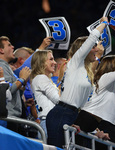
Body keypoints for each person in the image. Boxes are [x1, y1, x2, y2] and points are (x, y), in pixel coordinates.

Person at [46, 16, 108, 148]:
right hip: (61, 113)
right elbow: (91, 38)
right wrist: (103, 24)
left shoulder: (85, 72)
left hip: (73, 115)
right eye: (93, 47)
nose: (96, 49)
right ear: (84, 49)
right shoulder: (75, 63)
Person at [0, 36, 31, 132]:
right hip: (9, 117)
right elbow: (6, 92)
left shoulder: (6, 66)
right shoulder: (0, 65)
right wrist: (22, 79)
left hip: (12, 116)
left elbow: (14, 91)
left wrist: (22, 85)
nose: (13, 47)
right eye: (9, 45)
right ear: (1, 50)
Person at [30, 50, 59, 138]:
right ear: (42, 62)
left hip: (49, 122)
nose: (55, 62)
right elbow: (58, 99)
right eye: (51, 59)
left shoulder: (41, 79)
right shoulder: (41, 78)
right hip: (49, 123)